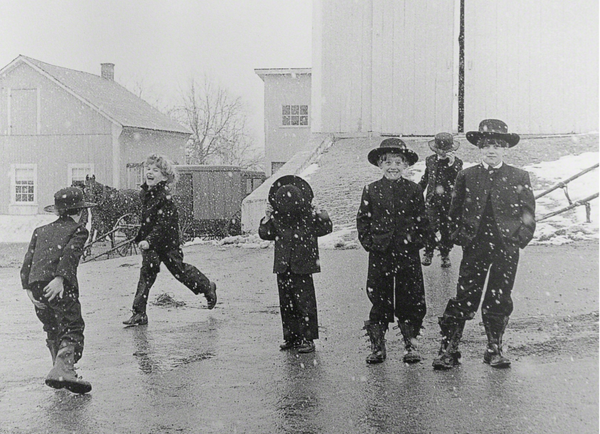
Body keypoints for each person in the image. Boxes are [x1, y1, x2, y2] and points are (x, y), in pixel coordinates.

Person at [432, 119, 536, 370]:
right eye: (487, 145)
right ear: (479, 148)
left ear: (505, 149)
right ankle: (449, 348)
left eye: (497, 145)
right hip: (475, 245)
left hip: (506, 246)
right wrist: (459, 236)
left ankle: (494, 348)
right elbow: (453, 211)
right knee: (465, 295)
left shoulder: (518, 176)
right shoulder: (466, 175)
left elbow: (528, 213)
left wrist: (520, 238)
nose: (492, 150)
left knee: (499, 296)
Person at [357, 138, 429, 364]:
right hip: (380, 253)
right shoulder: (371, 190)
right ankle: (378, 345)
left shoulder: (414, 189)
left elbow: (422, 221)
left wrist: (416, 242)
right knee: (379, 298)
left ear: (405, 165)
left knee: (411, 298)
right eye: (388, 162)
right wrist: (370, 243)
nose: (393, 166)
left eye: (398, 162)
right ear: (380, 164)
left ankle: (411, 344)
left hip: (407, 254)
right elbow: (363, 221)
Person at [123, 154, 217, 326]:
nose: (150, 172)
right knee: (146, 275)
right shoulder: (146, 194)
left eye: (155, 170)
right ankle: (139, 313)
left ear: (165, 176)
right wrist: (141, 237)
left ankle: (207, 286)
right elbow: (147, 221)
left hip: (167, 243)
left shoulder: (165, 198)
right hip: (151, 244)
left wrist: (149, 240)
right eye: (148, 169)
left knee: (180, 271)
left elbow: (162, 225)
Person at [21, 187, 96, 394]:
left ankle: (59, 369)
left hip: (36, 287)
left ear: (57, 211)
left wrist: (28, 288)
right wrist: (60, 278)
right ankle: (64, 370)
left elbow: (28, 260)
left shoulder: (40, 231)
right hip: (58, 285)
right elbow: (70, 255)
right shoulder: (78, 230)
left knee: (52, 327)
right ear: (80, 212)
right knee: (72, 326)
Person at [258, 175, 333, 354]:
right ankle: (291, 336)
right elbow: (265, 233)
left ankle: (307, 338)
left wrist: (319, 211)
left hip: (303, 266)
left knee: (305, 303)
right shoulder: (277, 217)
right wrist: (267, 217)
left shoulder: (308, 216)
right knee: (287, 302)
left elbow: (326, 228)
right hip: (283, 266)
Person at [418, 132, 463, 268]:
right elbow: (426, 178)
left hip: (449, 202)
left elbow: (459, 182)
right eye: (441, 150)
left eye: (447, 151)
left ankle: (445, 253)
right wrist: (417, 190)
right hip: (432, 200)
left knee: (446, 229)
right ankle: (429, 251)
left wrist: (452, 166)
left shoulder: (457, 163)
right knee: (430, 227)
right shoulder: (430, 160)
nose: (443, 153)